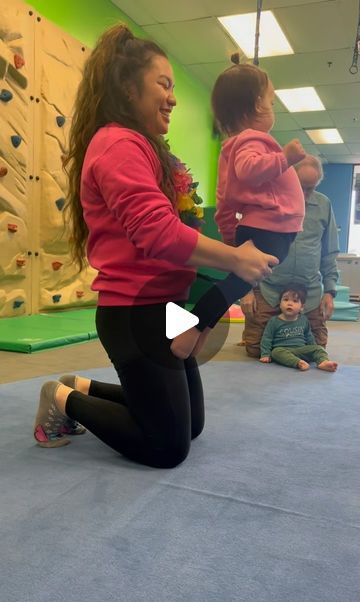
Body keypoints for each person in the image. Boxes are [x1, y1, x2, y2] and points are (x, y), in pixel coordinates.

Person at [32, 24, 279, 467]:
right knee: (167, 449)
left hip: (166, 307)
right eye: (163, 84)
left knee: (192, 426)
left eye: (173, 86)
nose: (173, 97)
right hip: (134, 312)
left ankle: (83, 386)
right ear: (128, 88)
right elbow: (158, 232)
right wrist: (237, 258)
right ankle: (61, 397)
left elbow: (178, 226)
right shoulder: (116, 144)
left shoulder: (149, 148)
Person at [171, 57, 306, 360]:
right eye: (271, 101)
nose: (273, 109)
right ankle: (193, 330)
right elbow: (248, 170)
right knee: (234, 286)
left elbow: (225, 198)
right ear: (257, 105)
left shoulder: (231, 146)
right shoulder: (251, 140)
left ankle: (197, 333)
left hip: (266, 228)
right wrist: (285, 158)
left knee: (233, 285)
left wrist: (231, 239)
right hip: (271, 228)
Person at [240, 155, 340, 357]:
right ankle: (282, 343)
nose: (303, 194)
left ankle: (285, 345)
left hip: (308, 291)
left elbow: (329, 252)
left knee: (319, 347)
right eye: (300, 186)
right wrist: (246, 291)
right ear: (288, 176)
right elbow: (245, 249)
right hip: (270, 287)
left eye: (310, 188)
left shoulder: (323, 205)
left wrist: (329, 292)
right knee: (254, 349)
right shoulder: (267, 202)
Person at [259, 284, 338, 372]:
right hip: (283, 349)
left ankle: (323, 362)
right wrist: (265, 354)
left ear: (302, 307)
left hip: (301, 349)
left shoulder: (303, 320)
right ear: (280, 304)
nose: (289, 303)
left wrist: (313, 348)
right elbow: (267, 338)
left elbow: (309, 336)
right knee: (275, 352)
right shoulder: (274, 321)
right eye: (285, 300)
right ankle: (298, 363)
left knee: (319, 348)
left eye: (295, 301)